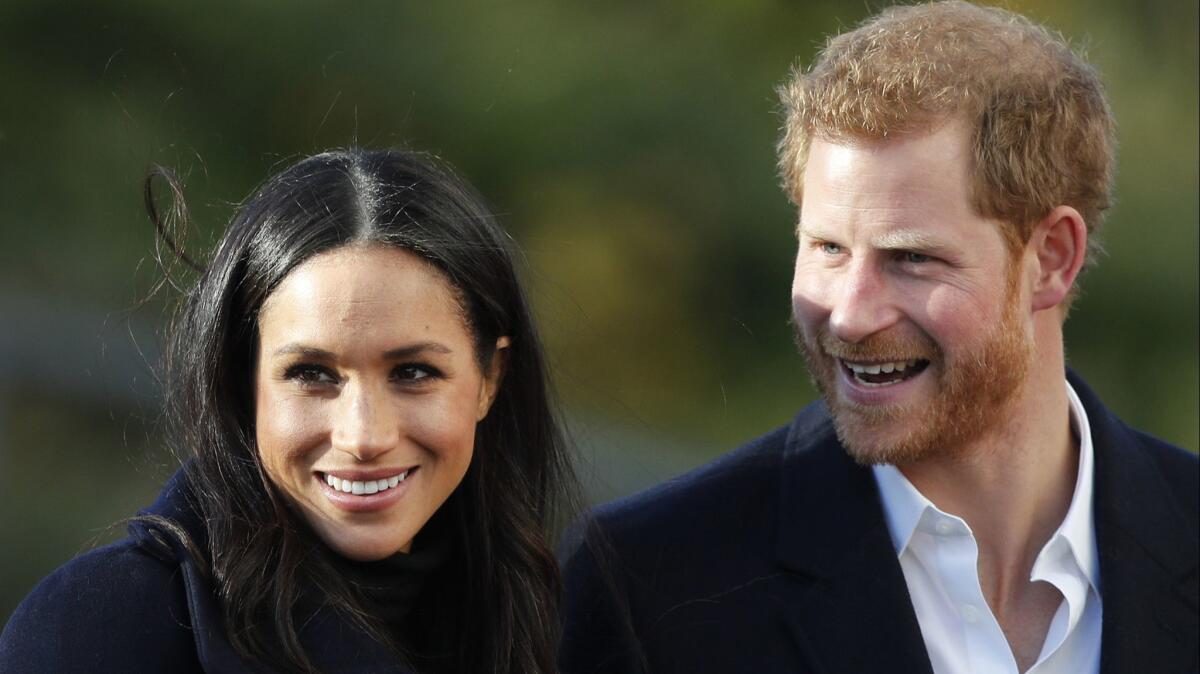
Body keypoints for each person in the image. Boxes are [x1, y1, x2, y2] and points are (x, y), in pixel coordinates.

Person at [559, 2, 1198, 673]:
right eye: (829, 248)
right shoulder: (650, 587)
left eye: (912, 258)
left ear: (1052, 259)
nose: (849, 316)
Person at [0, 149, 576, 673]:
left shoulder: (561, 625)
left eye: (413, 373)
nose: (363, 435)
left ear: (489, 379)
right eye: (312, 375)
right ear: (241, 381)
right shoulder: (99, 631)